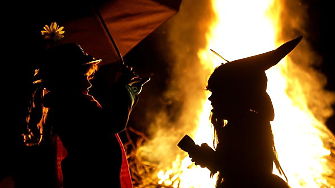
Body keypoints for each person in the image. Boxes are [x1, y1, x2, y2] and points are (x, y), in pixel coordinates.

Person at [24, 40, 148, 187]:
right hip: (92, 179)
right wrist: (123, 89)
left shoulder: (69, 101)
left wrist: (128, 90)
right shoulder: (72, 104)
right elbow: (112, 123)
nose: (89, 84)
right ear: (67, 78)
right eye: (83, 77)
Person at [184, 36, 302, 188]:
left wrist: (210, 159)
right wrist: (210, 158)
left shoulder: (247, 126)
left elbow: (245, 173)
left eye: (217, 92)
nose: (211, 99)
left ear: (235, 95)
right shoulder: (249, 123)